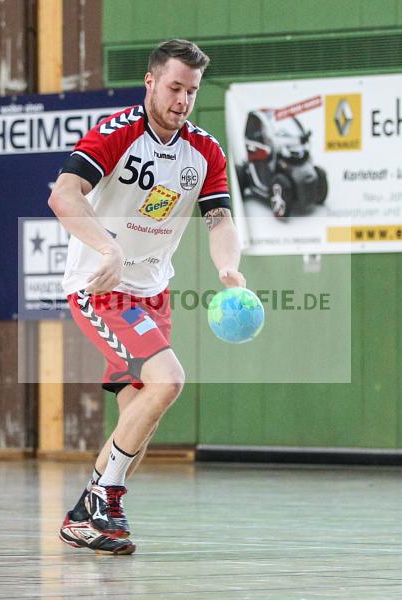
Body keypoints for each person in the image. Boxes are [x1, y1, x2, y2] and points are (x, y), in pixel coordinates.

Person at [48, 39, 244, 555]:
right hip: (102, 287)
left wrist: (229, 267)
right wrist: (106, 248)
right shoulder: (116, 134)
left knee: (145, 412)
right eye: (175, 87)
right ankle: (103, 497)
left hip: (153, 291)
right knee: (169, 380)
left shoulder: (205, 151)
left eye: (192, 91)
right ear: (151, 81)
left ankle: (82, 517)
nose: (182, 100)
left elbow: (220, 219)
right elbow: (63, 195)